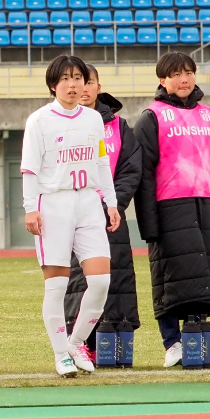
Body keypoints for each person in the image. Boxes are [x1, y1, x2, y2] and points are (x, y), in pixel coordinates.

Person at [132, 52, 210, 367]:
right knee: (169, 278)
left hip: (206, 207)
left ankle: (195, 340)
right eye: (176, 74)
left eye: (189, 72)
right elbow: (143, 176)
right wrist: (148, 225)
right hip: (168, 209)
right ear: (162, 79)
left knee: (200, 278)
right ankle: (172, 343)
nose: (184, 79)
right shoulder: (151, 117)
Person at [21, 54, 121, 377]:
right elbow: (30, 170)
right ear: (53, 85)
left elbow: (102, 163)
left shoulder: (93, 120)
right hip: (54, 204)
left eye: (78, 78)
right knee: (57, 285)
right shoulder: (39, 121)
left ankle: (76, 343)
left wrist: (111, 201)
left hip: (89, 204)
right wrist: (30, 207)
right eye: (65, 78)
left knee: (101, 281)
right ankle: (60, 354)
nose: (73, 84)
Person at [64, 64, 142, 364]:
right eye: (77, 81)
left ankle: (111, 344)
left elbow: (130, 171)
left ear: (98, 87)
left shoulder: (120, 127)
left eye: (89, 82)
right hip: (72, 213)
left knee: (115, 277)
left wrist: (113, 203)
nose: (83, 88)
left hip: (110, 214)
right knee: (76, 281)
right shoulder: (59, 123)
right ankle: (78, 341)